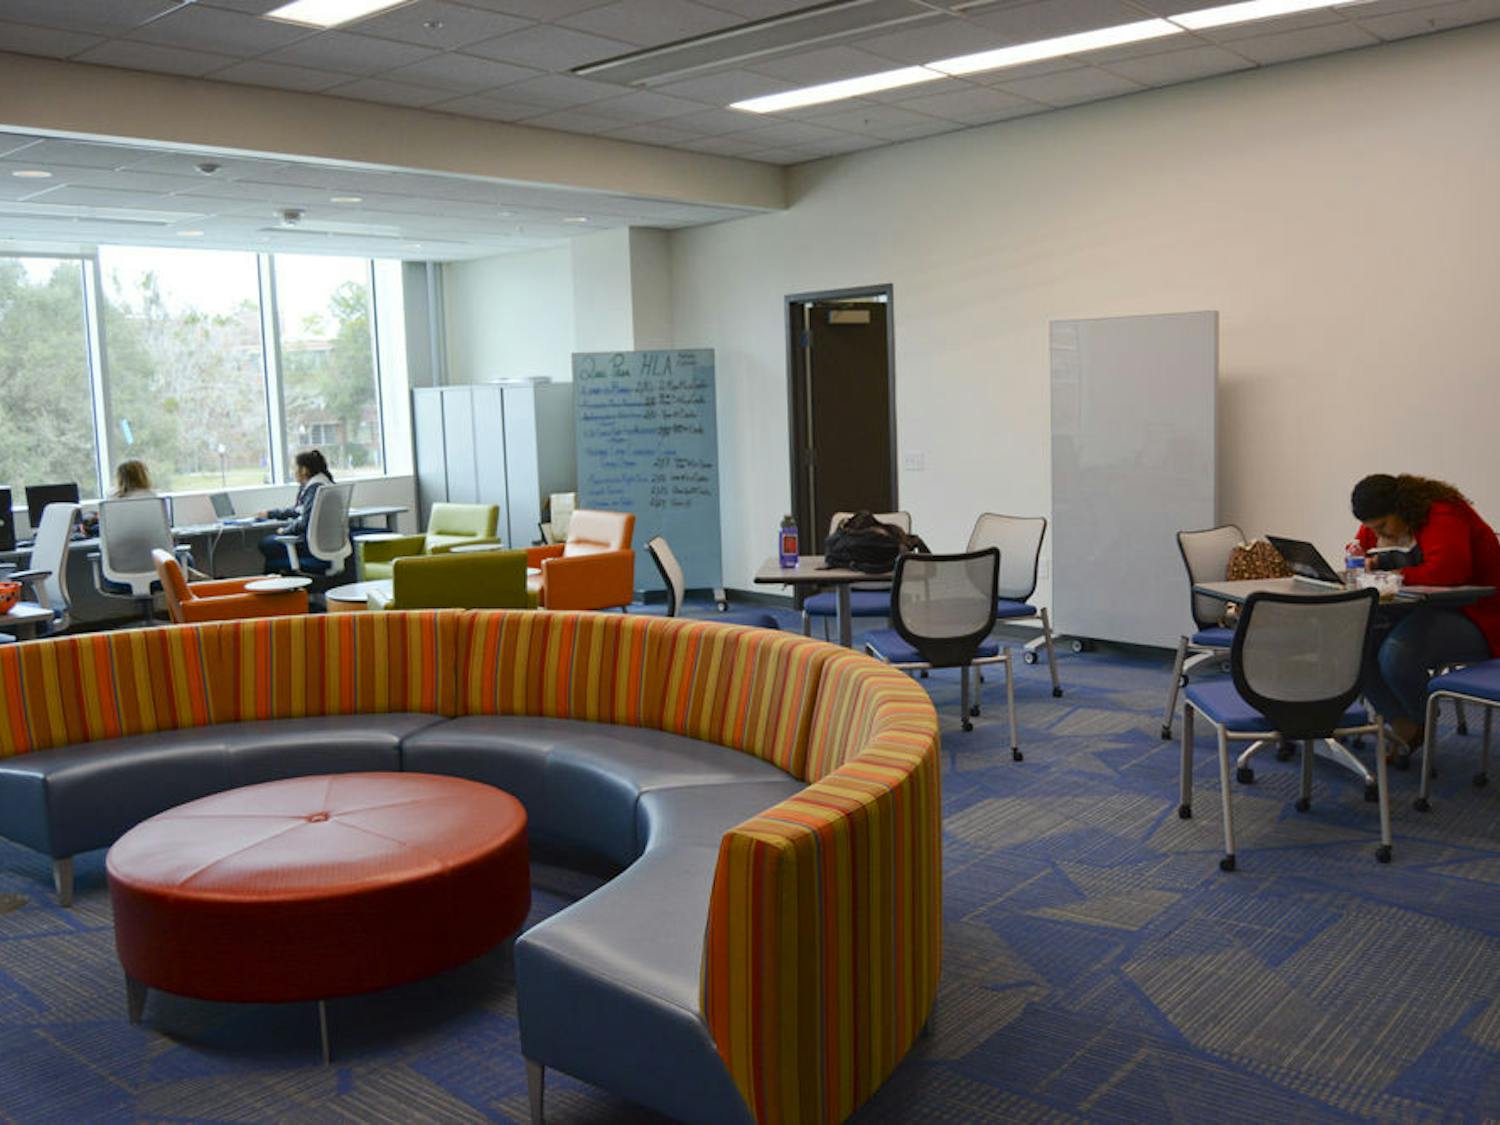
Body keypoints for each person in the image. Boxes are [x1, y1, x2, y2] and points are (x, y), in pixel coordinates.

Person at [1351, 473, 1500, 749]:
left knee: (1397, 655)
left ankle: (1421, 720)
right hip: (1427, 609)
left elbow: (1449, 571)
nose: (1380, 534)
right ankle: (1402, 723)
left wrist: (1395, 573)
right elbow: (1362, 551)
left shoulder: (1444, 513)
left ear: (1400, 508)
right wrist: (1364, 559)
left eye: (1383, 526)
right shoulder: (1384, 518)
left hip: (1481, 615)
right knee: (1353, 645)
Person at [258, 450, 336, 574]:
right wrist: (271, 514)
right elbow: (300, 510)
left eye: (294, 468)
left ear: (304, 470)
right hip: (326, 544)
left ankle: (279, 584)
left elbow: (305, 521)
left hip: (311, 544)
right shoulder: (324, 484)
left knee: (266, 544)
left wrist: (285, 531)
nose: (293, 472)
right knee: (273, 552)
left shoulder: (314, 488)